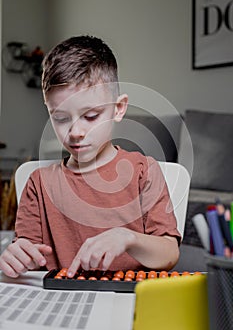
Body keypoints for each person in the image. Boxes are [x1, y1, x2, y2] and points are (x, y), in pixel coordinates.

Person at [0, 35, 180, 278]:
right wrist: (17, 258)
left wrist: (128, 239)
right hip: (61, 304)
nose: (76, 132)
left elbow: (169, 253)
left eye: (91, 116)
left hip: (128, 302)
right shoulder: (39, 183)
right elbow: (28, 258)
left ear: (118, 109)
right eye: (61, 118)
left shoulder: (143, 171)